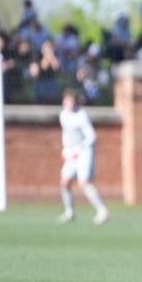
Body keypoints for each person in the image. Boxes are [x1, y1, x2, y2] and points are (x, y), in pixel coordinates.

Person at [57, 89, 110, 225]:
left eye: (72, 101)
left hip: (84, 152)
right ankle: (70, 213)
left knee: (83, 183)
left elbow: (92, 136)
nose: (70, 104)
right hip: (72, 153)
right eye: (67, 101)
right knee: (65, 182)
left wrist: (79, 148)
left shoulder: (81, 116)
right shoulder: (63, 115)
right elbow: (68, 135)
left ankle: (102, 211)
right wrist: (66, 149)